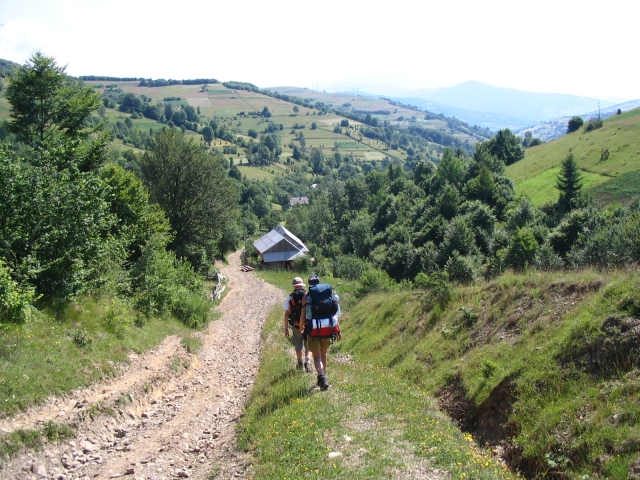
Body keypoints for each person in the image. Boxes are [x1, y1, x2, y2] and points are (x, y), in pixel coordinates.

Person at [301, 274, 341, 390]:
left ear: (309, 284)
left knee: (317, 357)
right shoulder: (327, 294)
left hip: (313, 329)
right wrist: (338, 330)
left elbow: (304, 315)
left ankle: (322, 377)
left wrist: (302, 327)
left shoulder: (307, 296)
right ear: (319, 282)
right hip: (327, 328)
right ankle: (323, 375)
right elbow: (334, 315)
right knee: (323, 354)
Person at [284, 277, 312, 371]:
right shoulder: (307, 295)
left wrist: (286, 328)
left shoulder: (290, 297)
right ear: (302, 285)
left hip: (296, 325)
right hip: (307, 324)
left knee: (298, 345)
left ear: (294, 286)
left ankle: (300, 363)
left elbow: (286, 314)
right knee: (308, 345)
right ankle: (307, 362)